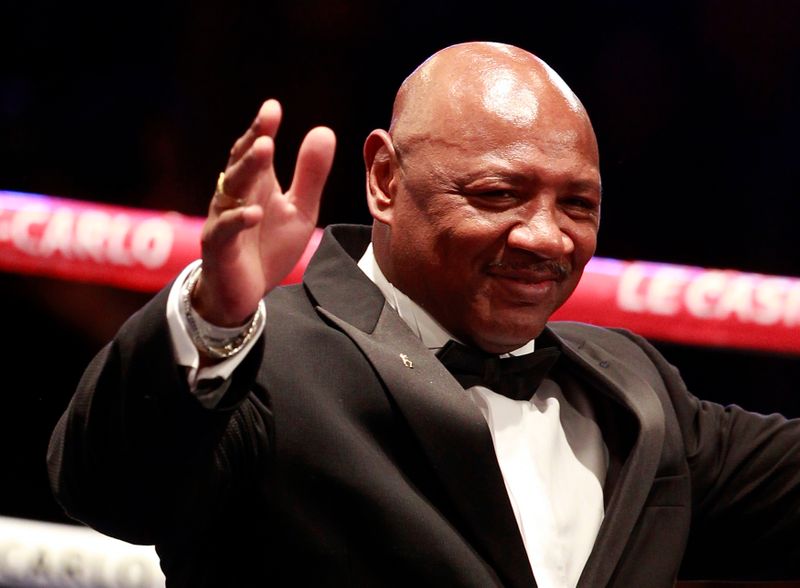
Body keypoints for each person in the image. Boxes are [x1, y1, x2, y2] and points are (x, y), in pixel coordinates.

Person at [48, 42, 800, 587]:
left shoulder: (632, 386)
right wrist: (212, 318)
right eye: (500, 194)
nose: (546, 237)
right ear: (383, 179)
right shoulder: (272, 363)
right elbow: (113, 490)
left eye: (578, 204)